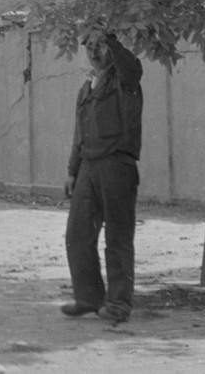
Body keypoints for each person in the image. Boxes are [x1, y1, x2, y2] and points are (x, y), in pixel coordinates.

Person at [61, 27, 144, 324]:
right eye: (89, 46)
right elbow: (78, 134)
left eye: (100, 45)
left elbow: (130, 66)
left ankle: (119, 305)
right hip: (88, 167)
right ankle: (88, 298)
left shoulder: (125, 79)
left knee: (117, 236)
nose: (94, 51)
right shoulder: (86, 88)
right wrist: (72, 171)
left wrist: (110, 36)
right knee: (77, 235)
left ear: (111, 47)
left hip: (116, 165)